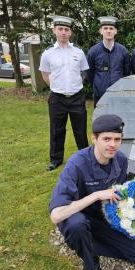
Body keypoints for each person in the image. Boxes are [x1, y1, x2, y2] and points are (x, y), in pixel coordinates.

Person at [49, 114, 135, 270]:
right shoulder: (76, 164)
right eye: (106, 139)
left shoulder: (121, 160)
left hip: (103, 218)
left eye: (117, 139)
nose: (112, 144)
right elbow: (56, 216)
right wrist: (96, 194)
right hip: (77, 214)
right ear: (93, 138)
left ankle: (85, 243)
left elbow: (122, 191)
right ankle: (90, 267)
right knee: (76, 226)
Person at [39, 15, 90, 171]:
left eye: (66, 29)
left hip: (76, 97)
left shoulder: (78, 52)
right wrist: (57, 87)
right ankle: (56, 159)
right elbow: (45, 75)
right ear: (54, 30)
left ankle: (84, 157)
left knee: (80, 129)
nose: (63, 32)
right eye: (60, 29)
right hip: (57, 98)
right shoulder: (48, 54)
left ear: (70, 33)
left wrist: (74, 86)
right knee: (57, 129)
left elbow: (84, 72)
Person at [87, 16, 130, 108]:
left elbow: (126, 73)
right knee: (101, 122)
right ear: (100, 31)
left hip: (118, 96)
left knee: (118, 121)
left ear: (116, 31)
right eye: (105, 28)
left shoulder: (123, 51)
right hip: (100, 97)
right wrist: (98, 87)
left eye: (111, 28)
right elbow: (90, 73)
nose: (108, 31)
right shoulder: (93, 51)